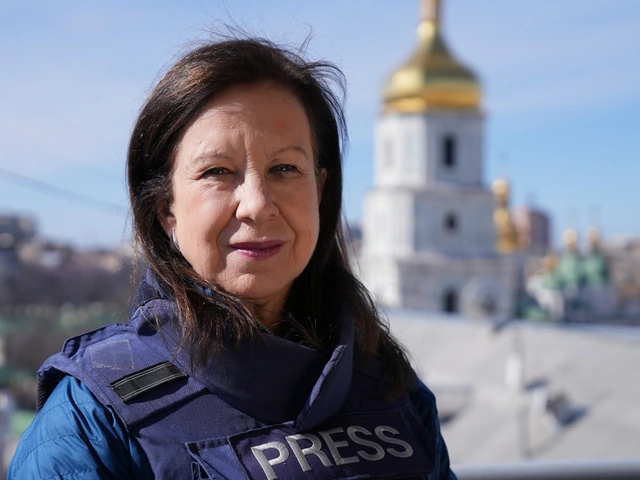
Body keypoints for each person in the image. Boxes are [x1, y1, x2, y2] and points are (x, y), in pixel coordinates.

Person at [8, 37, 457, 480]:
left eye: (285, 169)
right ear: (166, 208)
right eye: (217, 172)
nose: (257, 203)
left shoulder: (390, 386)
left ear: (320, 191)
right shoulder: (93, 421)